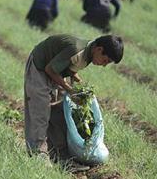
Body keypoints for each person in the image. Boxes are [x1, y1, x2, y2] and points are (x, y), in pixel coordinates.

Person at [24, 34, 123, 163]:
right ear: (99, 49)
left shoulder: (88, 54)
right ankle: (37, 156)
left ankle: (59, 156)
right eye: (106, 60)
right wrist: (69, 89)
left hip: (54, 71)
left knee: (58, 113)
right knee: (40, 113)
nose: (104, 65)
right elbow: (50, 69)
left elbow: (69, 66)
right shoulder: (78, 50)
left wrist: (80, 85)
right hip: (40, 67)